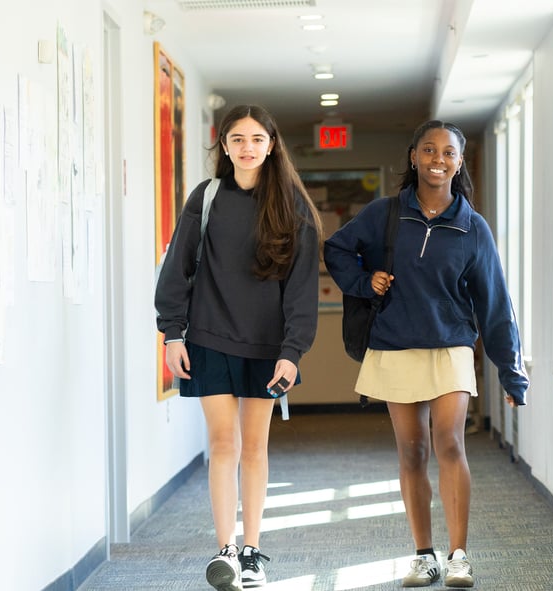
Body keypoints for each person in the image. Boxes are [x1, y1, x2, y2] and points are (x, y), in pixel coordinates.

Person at [323, 120, 528, 588]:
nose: (439, 159)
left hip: (451, 346)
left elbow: (495, 302)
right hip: (396, 345)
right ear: (413, 157)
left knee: (450, 442)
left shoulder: (472, 227)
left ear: (459, 162)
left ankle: (459, 555)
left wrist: (511, 371)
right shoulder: (385, 214)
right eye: (429, 150)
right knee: (412, 451)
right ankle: (424, 554)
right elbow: (336, 249)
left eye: (449, 153)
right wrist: (362, 281)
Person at [155, 104, 322, 591]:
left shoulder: (292, 206)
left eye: (255, 139)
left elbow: (301, 288)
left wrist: (293, 351)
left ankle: (252, 550)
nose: (247, 147)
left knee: (255, 448)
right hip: (208, 340)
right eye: (237, 139)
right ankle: (225, 547)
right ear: (223, 146)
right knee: (223, 444)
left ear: (271, 145)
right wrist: (172, 333)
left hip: (269, 348)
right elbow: (176, 269)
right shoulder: (205, 199)